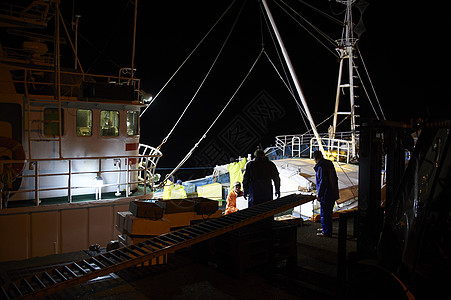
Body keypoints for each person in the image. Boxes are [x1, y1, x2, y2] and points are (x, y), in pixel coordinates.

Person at [313, 150, 339, 237]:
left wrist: (319, 194)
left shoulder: (321, 167)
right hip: (333, 191)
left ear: (315, 158)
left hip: (326, 193)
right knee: (329, 212)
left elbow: (322, 182)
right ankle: (326, 228)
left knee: (324, 213)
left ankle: (326, 232)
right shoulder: (329, 164)